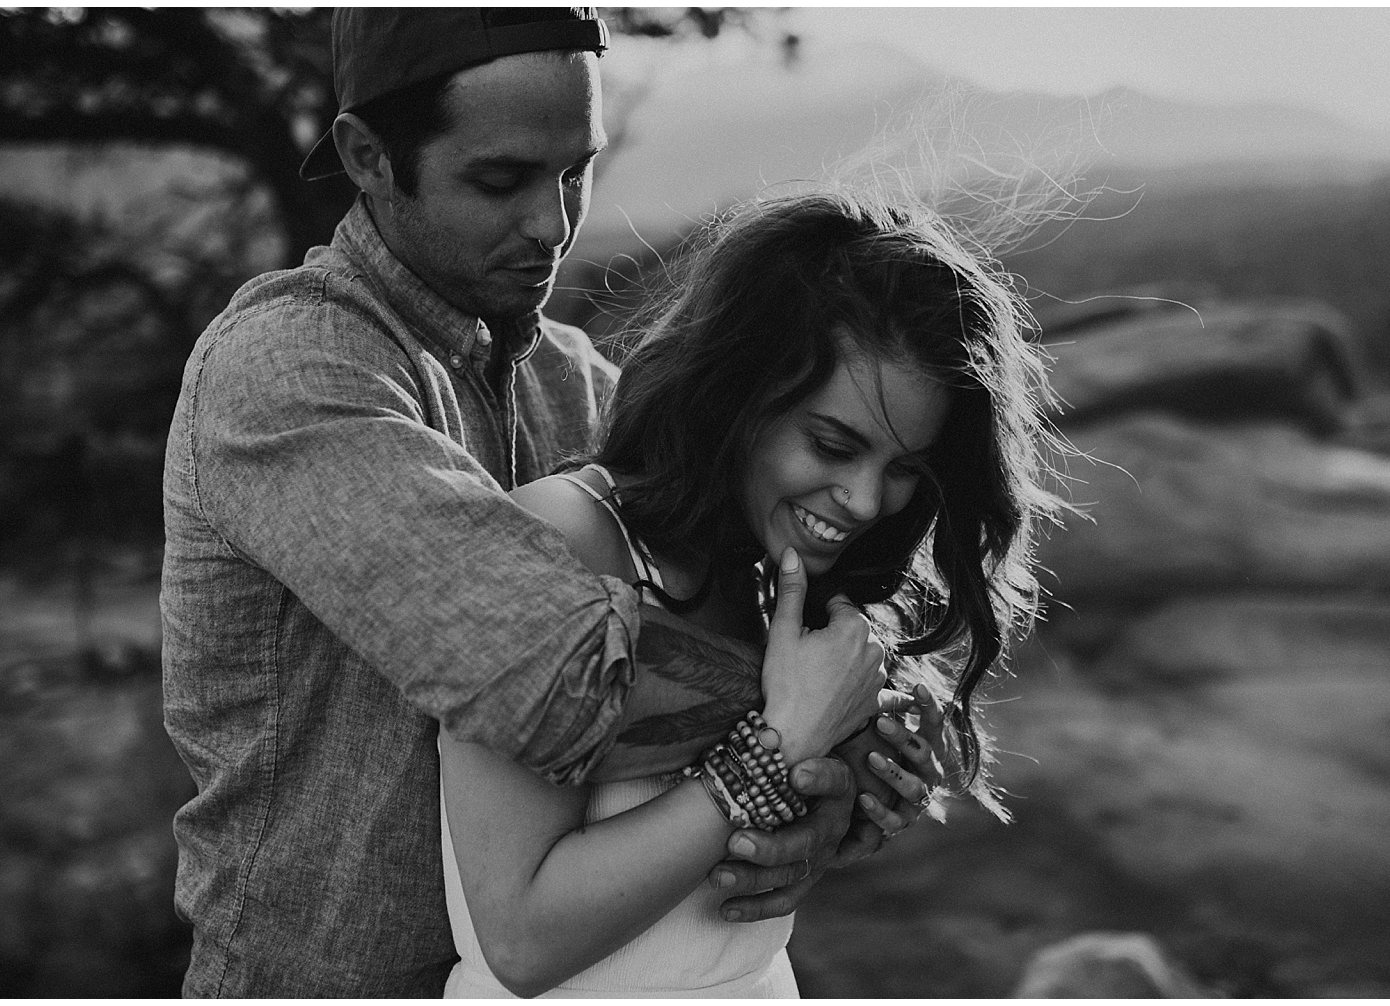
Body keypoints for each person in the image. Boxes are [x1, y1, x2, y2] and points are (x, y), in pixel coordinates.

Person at [160, 8, 914, 998]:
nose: (553, 223)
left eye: (575, 171)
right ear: (367, 155)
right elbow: (543, 666)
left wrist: (837, 776)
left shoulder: (579, 385)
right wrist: (795, 726)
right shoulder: (286, 373)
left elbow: (762, 629)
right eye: (502, 180)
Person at [435, 187, 1063, 996]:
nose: (868, 502)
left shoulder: (773, 577)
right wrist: (779, 746)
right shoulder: (561, 540)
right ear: (736, 393)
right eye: (832, 444)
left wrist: (843, 793)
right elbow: (521, 939)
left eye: (905, 468)